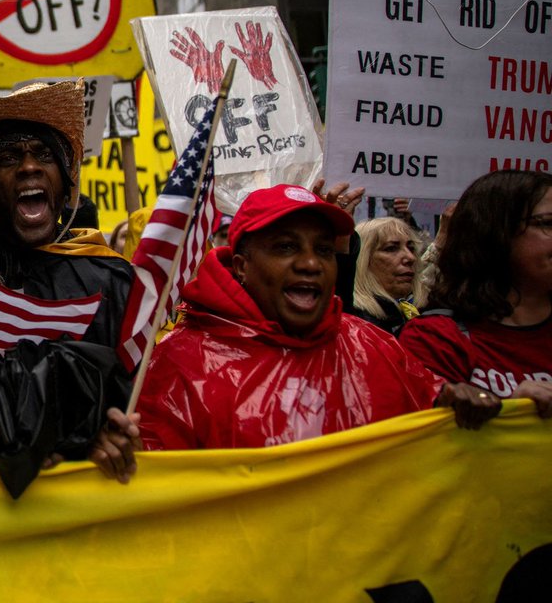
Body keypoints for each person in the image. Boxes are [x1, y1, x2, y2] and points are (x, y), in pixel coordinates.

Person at [135, 184, 502, 450]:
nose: (311, 263)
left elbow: (428, 405)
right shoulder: (180, 364)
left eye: (324, 249)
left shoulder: (373, 347)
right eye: (286, 247)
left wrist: (458, 401)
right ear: (242, 266)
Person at [0, 83, 140, 481]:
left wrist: (108, 434)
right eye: (8, 158)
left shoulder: (112, 280)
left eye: (44, 154)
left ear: (66, 182)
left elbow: (140, 394)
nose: (28, 167)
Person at [399, 170, 552, 416]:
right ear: (494, 232)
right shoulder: (436, 339)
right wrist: (513, 411)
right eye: (548, 223)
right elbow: (421, 433)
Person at [348, 217, 427, 336]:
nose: (411, 258)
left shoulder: (412, 311)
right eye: (391, 248)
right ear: (363, 260)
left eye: (411, 248)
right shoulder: (356, 325)